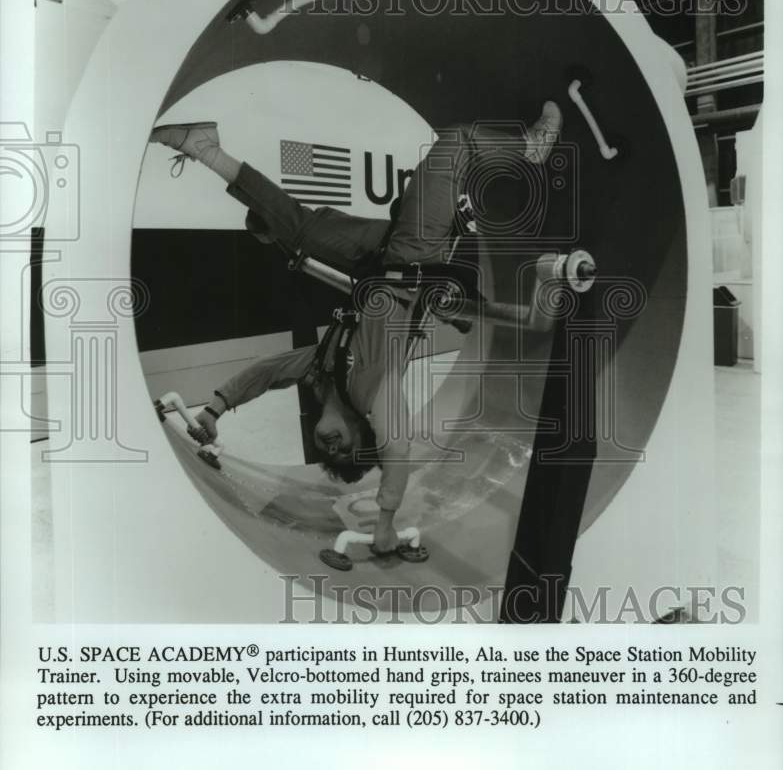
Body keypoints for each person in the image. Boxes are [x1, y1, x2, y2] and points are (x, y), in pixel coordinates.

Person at [149, 103, 562, 552]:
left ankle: (206, 148)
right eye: (346, 451)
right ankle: (530, 149)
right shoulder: (371, 392)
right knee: (458, 142)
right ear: (363, 435)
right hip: (414, 254)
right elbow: (399, 449)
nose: (331, 446)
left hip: (375, 260)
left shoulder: (319, 371)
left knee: (298, 228)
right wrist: (385, 520)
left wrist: (213, 410)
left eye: (327, 454)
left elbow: (265, 374)